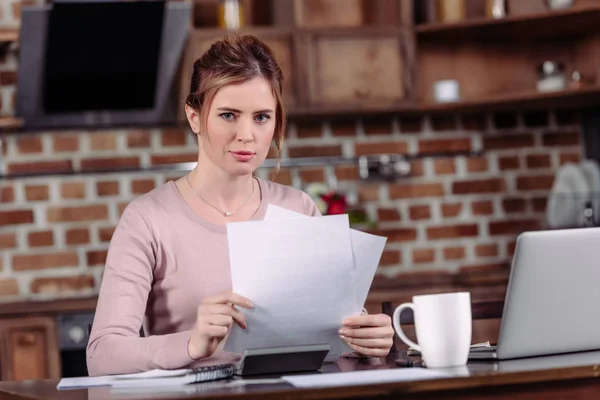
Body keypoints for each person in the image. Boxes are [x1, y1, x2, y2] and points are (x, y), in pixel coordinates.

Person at [86, 34, 394, 376]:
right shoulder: (147, 219)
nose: (246, 134)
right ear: (194, 116)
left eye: (261, 117)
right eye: (229, 115)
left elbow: (332, 351)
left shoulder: (298, 208)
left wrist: (365, 342)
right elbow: (102, 355)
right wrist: (193, 342)